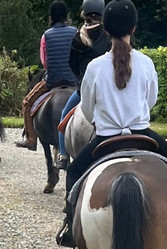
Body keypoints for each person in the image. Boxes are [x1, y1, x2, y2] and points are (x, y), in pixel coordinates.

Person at [55, 0, 167, 246]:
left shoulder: (94, 67)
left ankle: (69, 225)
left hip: (105, 138)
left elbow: (86, 108)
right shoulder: (147, 63)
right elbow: (151, 100)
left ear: (106, 30)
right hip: (142, 133)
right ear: (134, 29)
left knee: (74, 172)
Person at [15, 1, 79, 151]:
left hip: (53, 80)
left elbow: (45, 63)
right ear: (66, 16)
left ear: (51, 17)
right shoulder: (75, 32)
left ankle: (31, 139)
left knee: (27, 102)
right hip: (73, 80)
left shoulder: (46, 36)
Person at [55, 0, 110, 169]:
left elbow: (72, 64)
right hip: (106, 90)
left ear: (84, 13)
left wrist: (80, 78)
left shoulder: (78, 37)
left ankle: (63, 155)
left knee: (64, 117)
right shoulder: (108, 35)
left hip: (84, 90)